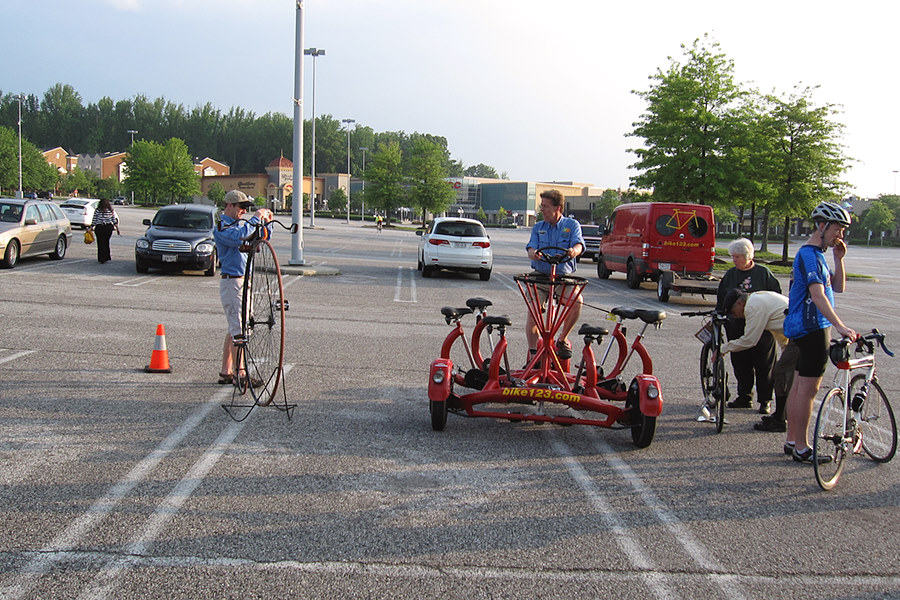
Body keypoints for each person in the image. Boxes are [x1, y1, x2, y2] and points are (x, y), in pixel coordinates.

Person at [783, 201, 856, 463]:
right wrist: (840, 325)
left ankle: (792, 441)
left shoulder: (819, 255)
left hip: (808, 327)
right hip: (812, 328)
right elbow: (817, 295)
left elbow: (837, 288)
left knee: (800, 386)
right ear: (822, 226)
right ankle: (802, 447)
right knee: (808, 391)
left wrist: (838, 259)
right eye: (838, 229)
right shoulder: (809, 256)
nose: (841, 235)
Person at [213, 190, 273, 385]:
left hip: (243, 280)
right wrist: (255, 219)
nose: (243, 212)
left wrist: (267, 223)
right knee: (239, 329)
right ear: (229, 205)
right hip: (232, 281)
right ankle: (241, 374)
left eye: (246, 209)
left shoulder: (241, 226)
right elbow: (238, 237)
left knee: (236, 327)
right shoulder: (223, 227)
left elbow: (260, 239)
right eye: (241, 208)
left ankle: (226, 371)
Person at [716, 238, 781, 413]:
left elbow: (775, 296)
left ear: (747, 256)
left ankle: (765, 400)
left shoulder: (764, 274)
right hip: (736, 326)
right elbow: (722, 298)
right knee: (741, 363)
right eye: (733, 256)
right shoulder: (731, 275)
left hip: (763, 328)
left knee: (764, 364)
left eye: (737, 256)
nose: (734, 260)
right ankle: (744, 395)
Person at [719, 289, 797, 433]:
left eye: (733, 311)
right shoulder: (757, 299)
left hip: (801, 333)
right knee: (783, 375)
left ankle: (780, 421)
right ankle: (780, 415)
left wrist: (724, 348)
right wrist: (785, 347)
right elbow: (778, 326)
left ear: (739, 303)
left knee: (781, 374)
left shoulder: (753, 307)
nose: (734, 316)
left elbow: (750, 340)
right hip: (795, 331)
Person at [525, 190, 585, 359]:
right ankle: (533, 355)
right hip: (542, 276)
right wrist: (533, 253)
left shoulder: (572, 225)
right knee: (533, 312)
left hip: (562, 278)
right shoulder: (538, 227)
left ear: (558, 208)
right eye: (541, 205)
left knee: (577, 302)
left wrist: (573, 251)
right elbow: (531, 248)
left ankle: (562, 339)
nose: (541, 209)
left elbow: (579, 245)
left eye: (545, 206)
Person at [89, 198, 119, 264]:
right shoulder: (110, 210)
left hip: (99, 227)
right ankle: (106, 256)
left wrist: (91, 227)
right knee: (106, 242)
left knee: (100, 243)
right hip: (108, 228)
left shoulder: (97, 210)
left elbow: (94, 220)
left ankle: (101, 258)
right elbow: (114, 220)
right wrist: (117, 229)